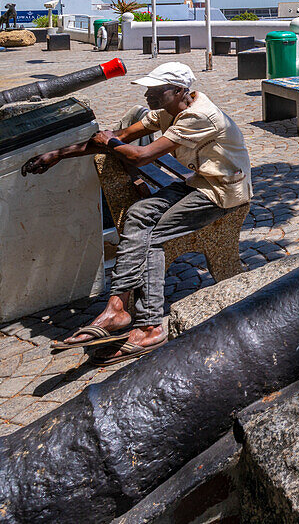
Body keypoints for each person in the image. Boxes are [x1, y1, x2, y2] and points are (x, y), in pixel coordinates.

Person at [21, 62, 252, 364]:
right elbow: (119, 136)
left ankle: (150, 325)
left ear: (180, 90)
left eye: (157, 90)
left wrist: (112, 142)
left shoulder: (199, 115)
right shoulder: (169, 111)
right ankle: (117, 307)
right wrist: (58, 154)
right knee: (139, 214)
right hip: (198, 182)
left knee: (153, 239)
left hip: (221, 191)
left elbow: (140, 156)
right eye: (148, 90)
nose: (148, 95)